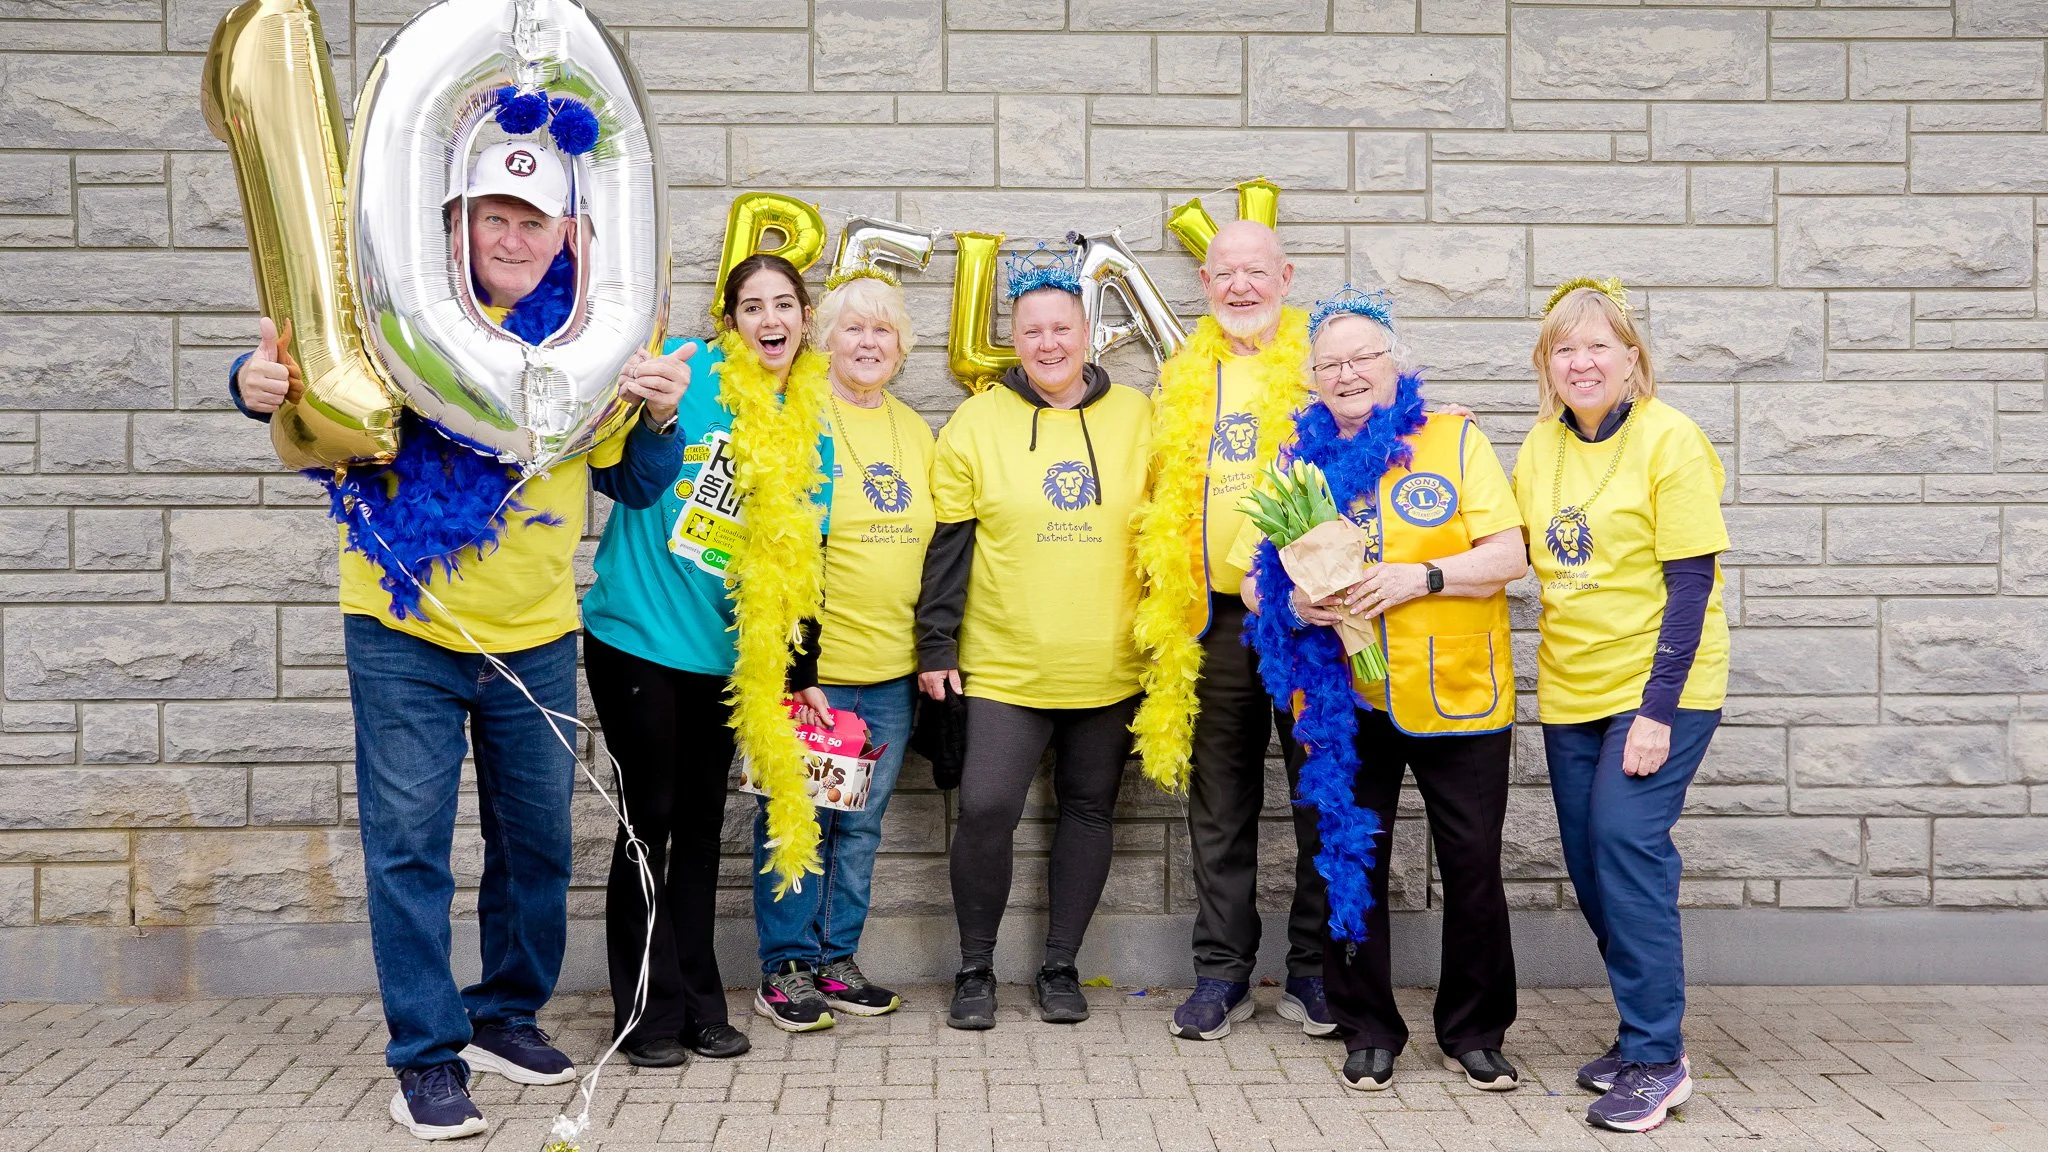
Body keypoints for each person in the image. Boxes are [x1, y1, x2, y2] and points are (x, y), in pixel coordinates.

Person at [230, 140, 687, 1141]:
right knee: (411, 849)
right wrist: (251, 380)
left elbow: (637, 482)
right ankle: (426, 1057)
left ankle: (503, 1016)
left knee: (537, 845)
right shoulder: (391, 315)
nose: (513, 238)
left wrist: (659, 417)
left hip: (536, 636)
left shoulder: (590, 338)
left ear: (565, 235)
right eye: (493, 218)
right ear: (455, 226)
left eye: (532, 222)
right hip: (404, 631)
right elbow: (300, 369)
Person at [1234, 288, 1526, 1094]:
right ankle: (1366, 1027)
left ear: (1396, 364)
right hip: (1344, 701)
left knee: (1472, 863)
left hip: (1457, 692)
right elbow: (1254, 579)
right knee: (1346, 863)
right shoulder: (1294, 460)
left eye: (1363, 356)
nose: (1347, 373)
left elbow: (1509, 555)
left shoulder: (1454, 438)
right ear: (1313, 380)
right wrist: (1292, 604)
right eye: (1330, 363)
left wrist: (1419, 577)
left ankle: (1474, 1031)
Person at [579, 252, 836, 1066]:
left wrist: (801, 671)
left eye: (784, 304)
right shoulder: (684, 379)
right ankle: (643, 1016)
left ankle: (697, 1004)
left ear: (805, 319)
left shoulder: (812, 426)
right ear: (729, 322)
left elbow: (802, 561)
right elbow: (613, 474)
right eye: (752, 306)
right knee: (648, 817)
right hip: (637, 636)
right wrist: (643, 401)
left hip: (721, 658)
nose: (770, 319)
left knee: (698, 830)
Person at [915, 246, 1153, 1030]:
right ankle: (975, 968)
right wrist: (936, 646)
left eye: (1062, 328)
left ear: (1087, 333)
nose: (1048, 343)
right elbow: (948, 547)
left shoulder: (1139, 417)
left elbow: (1173, 528)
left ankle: (1060, 966)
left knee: (1089, 811)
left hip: (1110, 666)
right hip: (1004, 667)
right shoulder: (978, 421)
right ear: (1013, 341)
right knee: (986, 808)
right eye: (1032, 331)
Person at [1512, 279, 1728, 1134]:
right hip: (1572, 689)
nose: (1582, 362)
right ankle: (1642, 1030)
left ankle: (1657, 1057)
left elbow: (1692, 584)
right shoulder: (1540, 446)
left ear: (1632, 358)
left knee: (1625, 846)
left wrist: (1656, 712)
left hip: (1659, 688)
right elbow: (1507, 545)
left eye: (1599, 346)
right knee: (1592, 861)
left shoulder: (1671, 439)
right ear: (1547, 366)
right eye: (1564, 349)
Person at [1130, 220, 1333, 1042]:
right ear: (1206, 283)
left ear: (1286, 277)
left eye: (1256, 271)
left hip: (1308, 617)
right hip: (1213, 620)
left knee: (1323, 791)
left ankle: (1316, 971)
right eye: (1226, 274)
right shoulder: (1184, 372)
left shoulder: (1324, 362)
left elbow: (1391, 426)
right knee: (1219, 803)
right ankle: (1221, 972)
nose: (1241, 287)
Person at [746, 269, 934, 1030]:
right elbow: (776, 547)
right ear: (824, 340)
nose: (868, 342)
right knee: (798, 820)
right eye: (853, 327)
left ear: (901, 347)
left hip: (891, 672)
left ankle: (835, 959)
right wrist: (797, 667)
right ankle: (784, 967)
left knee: (858, 829)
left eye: (883, 329)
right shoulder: (802, 416)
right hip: (815, 672)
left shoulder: (915, 429)